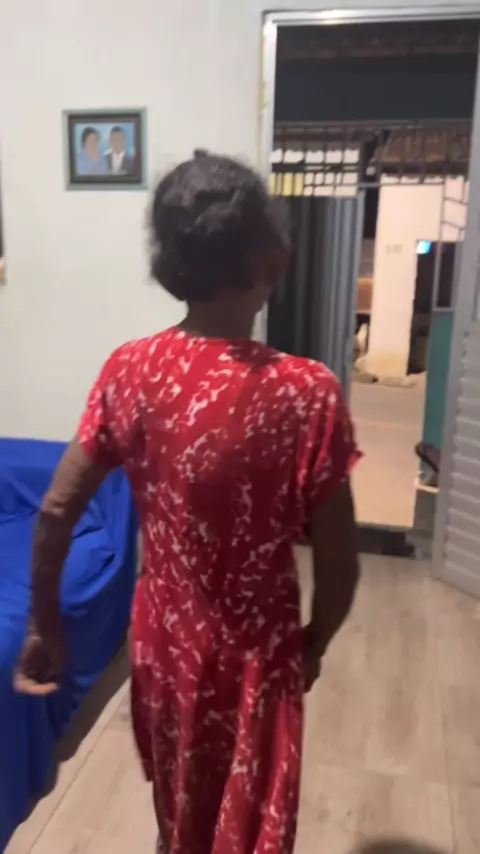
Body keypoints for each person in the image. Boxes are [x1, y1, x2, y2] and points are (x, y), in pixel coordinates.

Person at [15, 151, 360, 854]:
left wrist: (44, 625)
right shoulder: (308, 392)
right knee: (251, 824)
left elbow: (54, 512)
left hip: (165, 642)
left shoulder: (130, 370)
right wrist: (315, 640)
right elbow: (339, 559)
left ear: (171, 261)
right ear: (268, 257)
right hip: (258, 652)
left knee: (180, 813)